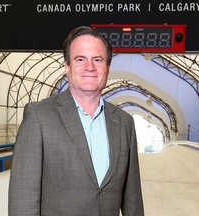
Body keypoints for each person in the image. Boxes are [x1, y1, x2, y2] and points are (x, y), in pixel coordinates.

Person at [8, 26, 144, 216]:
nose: (90, 67)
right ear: (67, 66)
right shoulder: (39, 117)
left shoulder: (124, 122)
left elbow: (133, 200)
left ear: (107, 67)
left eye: (97, 60)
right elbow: (23, 198)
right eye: (80, 59)